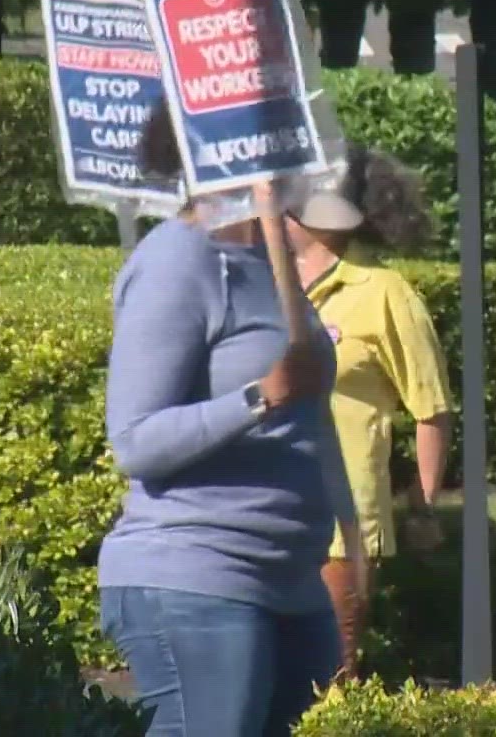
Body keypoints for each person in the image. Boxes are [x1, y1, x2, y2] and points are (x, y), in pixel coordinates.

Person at [97, 100, 361, 737]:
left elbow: (312, 422)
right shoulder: (177, 262)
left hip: (291, 582)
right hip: (197, 575)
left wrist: (350, 546)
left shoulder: (272, 264)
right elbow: (136, 441)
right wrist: (259, 395)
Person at [285, 147, 453, 677]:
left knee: (329, 676)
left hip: (343, 523)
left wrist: (422, 507)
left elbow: (432, 409)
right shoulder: (263, 281)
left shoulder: (385, 292)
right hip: (262, 513)